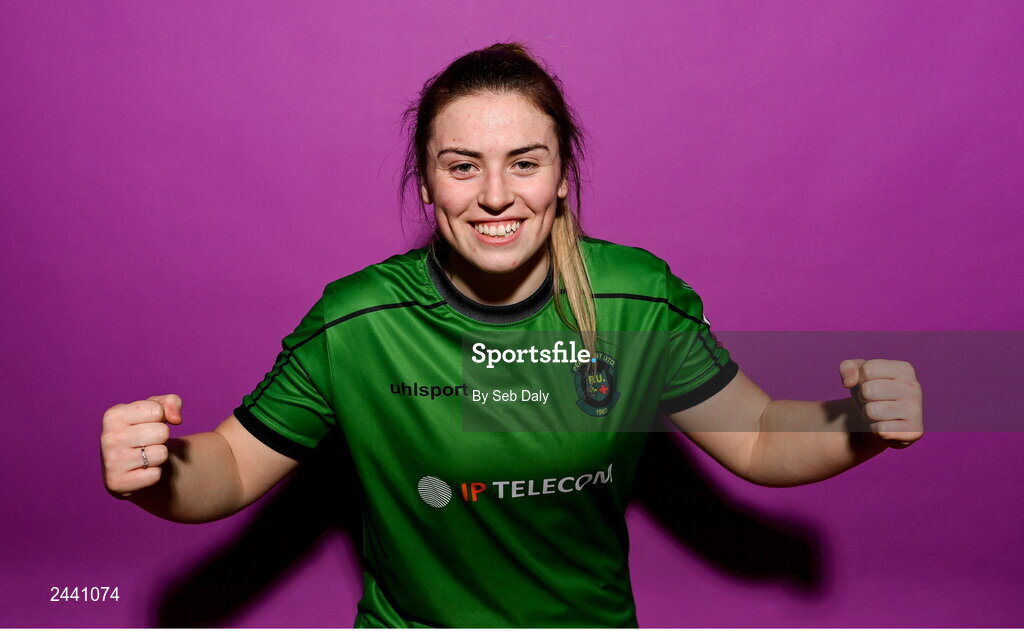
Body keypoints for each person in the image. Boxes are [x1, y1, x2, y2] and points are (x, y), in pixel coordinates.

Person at [100, 43, 924, 627]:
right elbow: (235, 464)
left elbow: (761, 438)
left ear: (563, 175)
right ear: (427, 183)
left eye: (525, 163)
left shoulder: (636, 299)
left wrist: (852, 421)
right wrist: (159, 470)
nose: (495, 195)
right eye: (462, 166)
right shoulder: (356, 321)